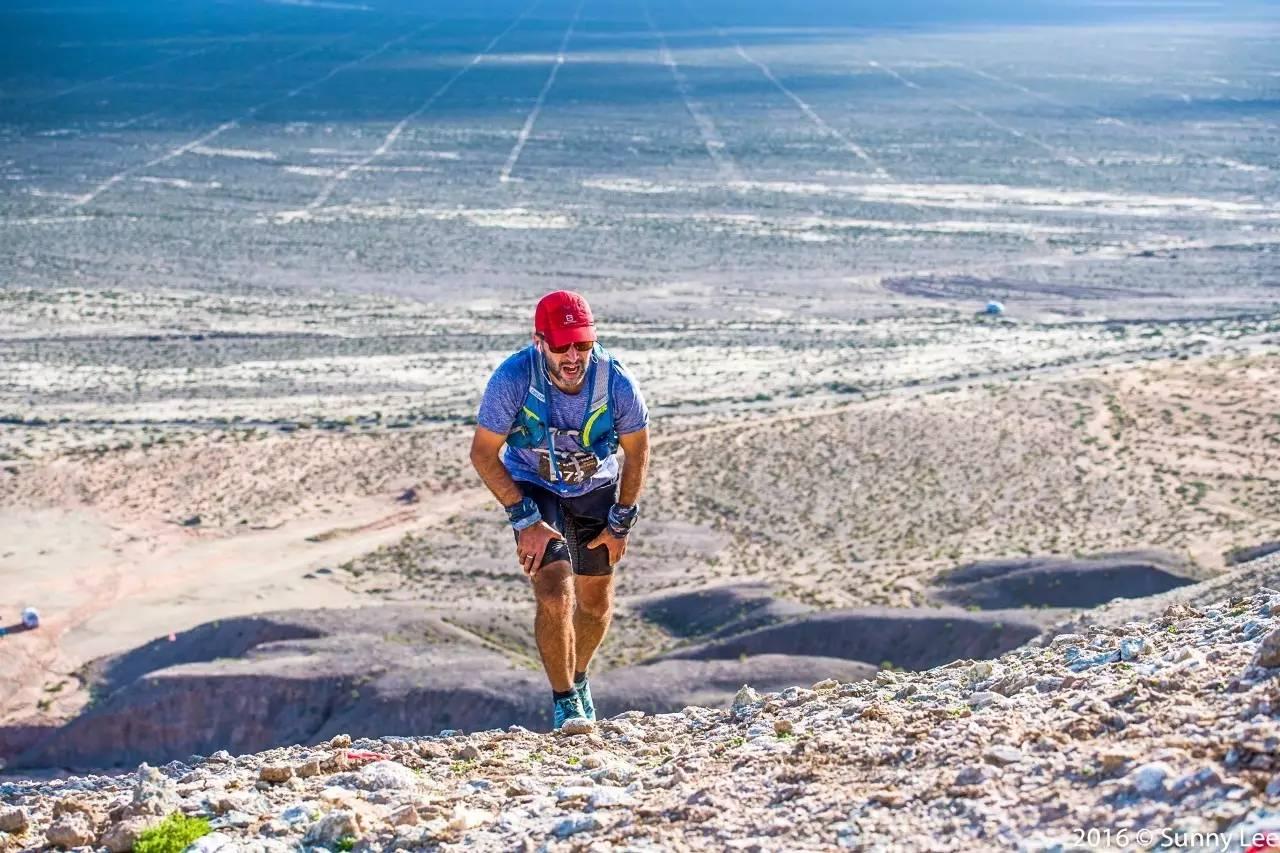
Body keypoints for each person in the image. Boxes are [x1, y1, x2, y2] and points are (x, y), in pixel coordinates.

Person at [470, 291, 650, 730]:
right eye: (562, 345)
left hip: (596, 486)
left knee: (594, 604)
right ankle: (566, 702)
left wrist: (621, 523)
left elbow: (638, 452)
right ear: (539, 341)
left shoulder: (617, 383)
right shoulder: (512, 379)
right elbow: (483, 453)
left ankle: (580, 676)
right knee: (554, 592)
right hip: (534, 483)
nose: (573, 356)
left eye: (583, 345)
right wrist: (525, 518)